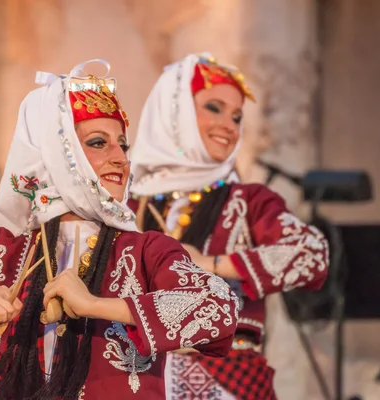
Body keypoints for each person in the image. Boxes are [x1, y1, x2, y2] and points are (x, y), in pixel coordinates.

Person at [0, 60, 239, 400]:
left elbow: (219, 309)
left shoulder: (145, 250)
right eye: (99, 143)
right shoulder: (0, 250)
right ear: (56, 157)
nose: (121, 158)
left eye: (123, 145)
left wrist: (94, 306)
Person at [129, 53, 329, 400]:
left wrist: (212, 264)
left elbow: (312, 254)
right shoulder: (129, 206)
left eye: (237, 116)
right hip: (142, 378)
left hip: (229, 378)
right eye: (214, 108)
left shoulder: (248, 200)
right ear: (173, 113)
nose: (229, 125)